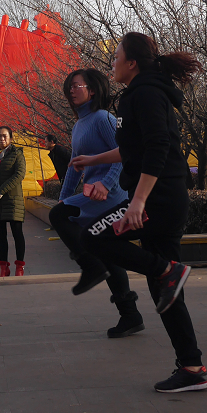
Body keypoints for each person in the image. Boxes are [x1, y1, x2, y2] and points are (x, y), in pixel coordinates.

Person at [74, 32, 207, 393]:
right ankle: (192, 367)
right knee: (165, 292)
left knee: (91, 236)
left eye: (116, 56)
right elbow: (132, 148)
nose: (112, 63)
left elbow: (157, 146)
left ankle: (167, 270)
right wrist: (94, 159)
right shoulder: (142, 93)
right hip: (161, 197)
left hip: (158, 199)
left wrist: (137, 202)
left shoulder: (146, 93)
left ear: (132, 63)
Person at [48, 68, 143, 338]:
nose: (71, 90)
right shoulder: (80, 124)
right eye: (69, 87)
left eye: (76, 86)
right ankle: (130, 315)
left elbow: (124, 154)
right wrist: (64, 197)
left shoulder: (103, 118)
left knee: (60, 217)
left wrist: (106, 184)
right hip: (93, 194)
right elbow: (74, 167)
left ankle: (89, 265)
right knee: (108, 253)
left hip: (109, 196)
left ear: (92, 90)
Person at [0, 126, 27, 276]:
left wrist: (1, 191)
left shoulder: (17, 154)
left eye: (4, 136)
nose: (1, 139)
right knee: (0, 236)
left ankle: (19, 267)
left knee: (17, 234)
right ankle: (4, 268)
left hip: (13, 201)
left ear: (11, 138)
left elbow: (19, 174)